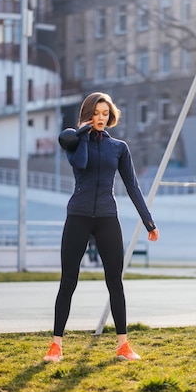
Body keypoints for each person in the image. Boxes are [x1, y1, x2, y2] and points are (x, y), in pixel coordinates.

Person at [44, 92, 159, 362]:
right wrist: (83, 133)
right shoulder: (74, 141)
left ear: (110, 116)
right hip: (79, 216)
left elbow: (132, 185)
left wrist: (148, 221)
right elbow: (81, 164)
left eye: (105, 114)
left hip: (107, 217)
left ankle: (123, 345)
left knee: (115, 282)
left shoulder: (119, 148)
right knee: (68, 280)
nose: (100, 118)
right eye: (95, 113)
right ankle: (56, 345)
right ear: (87, 114)